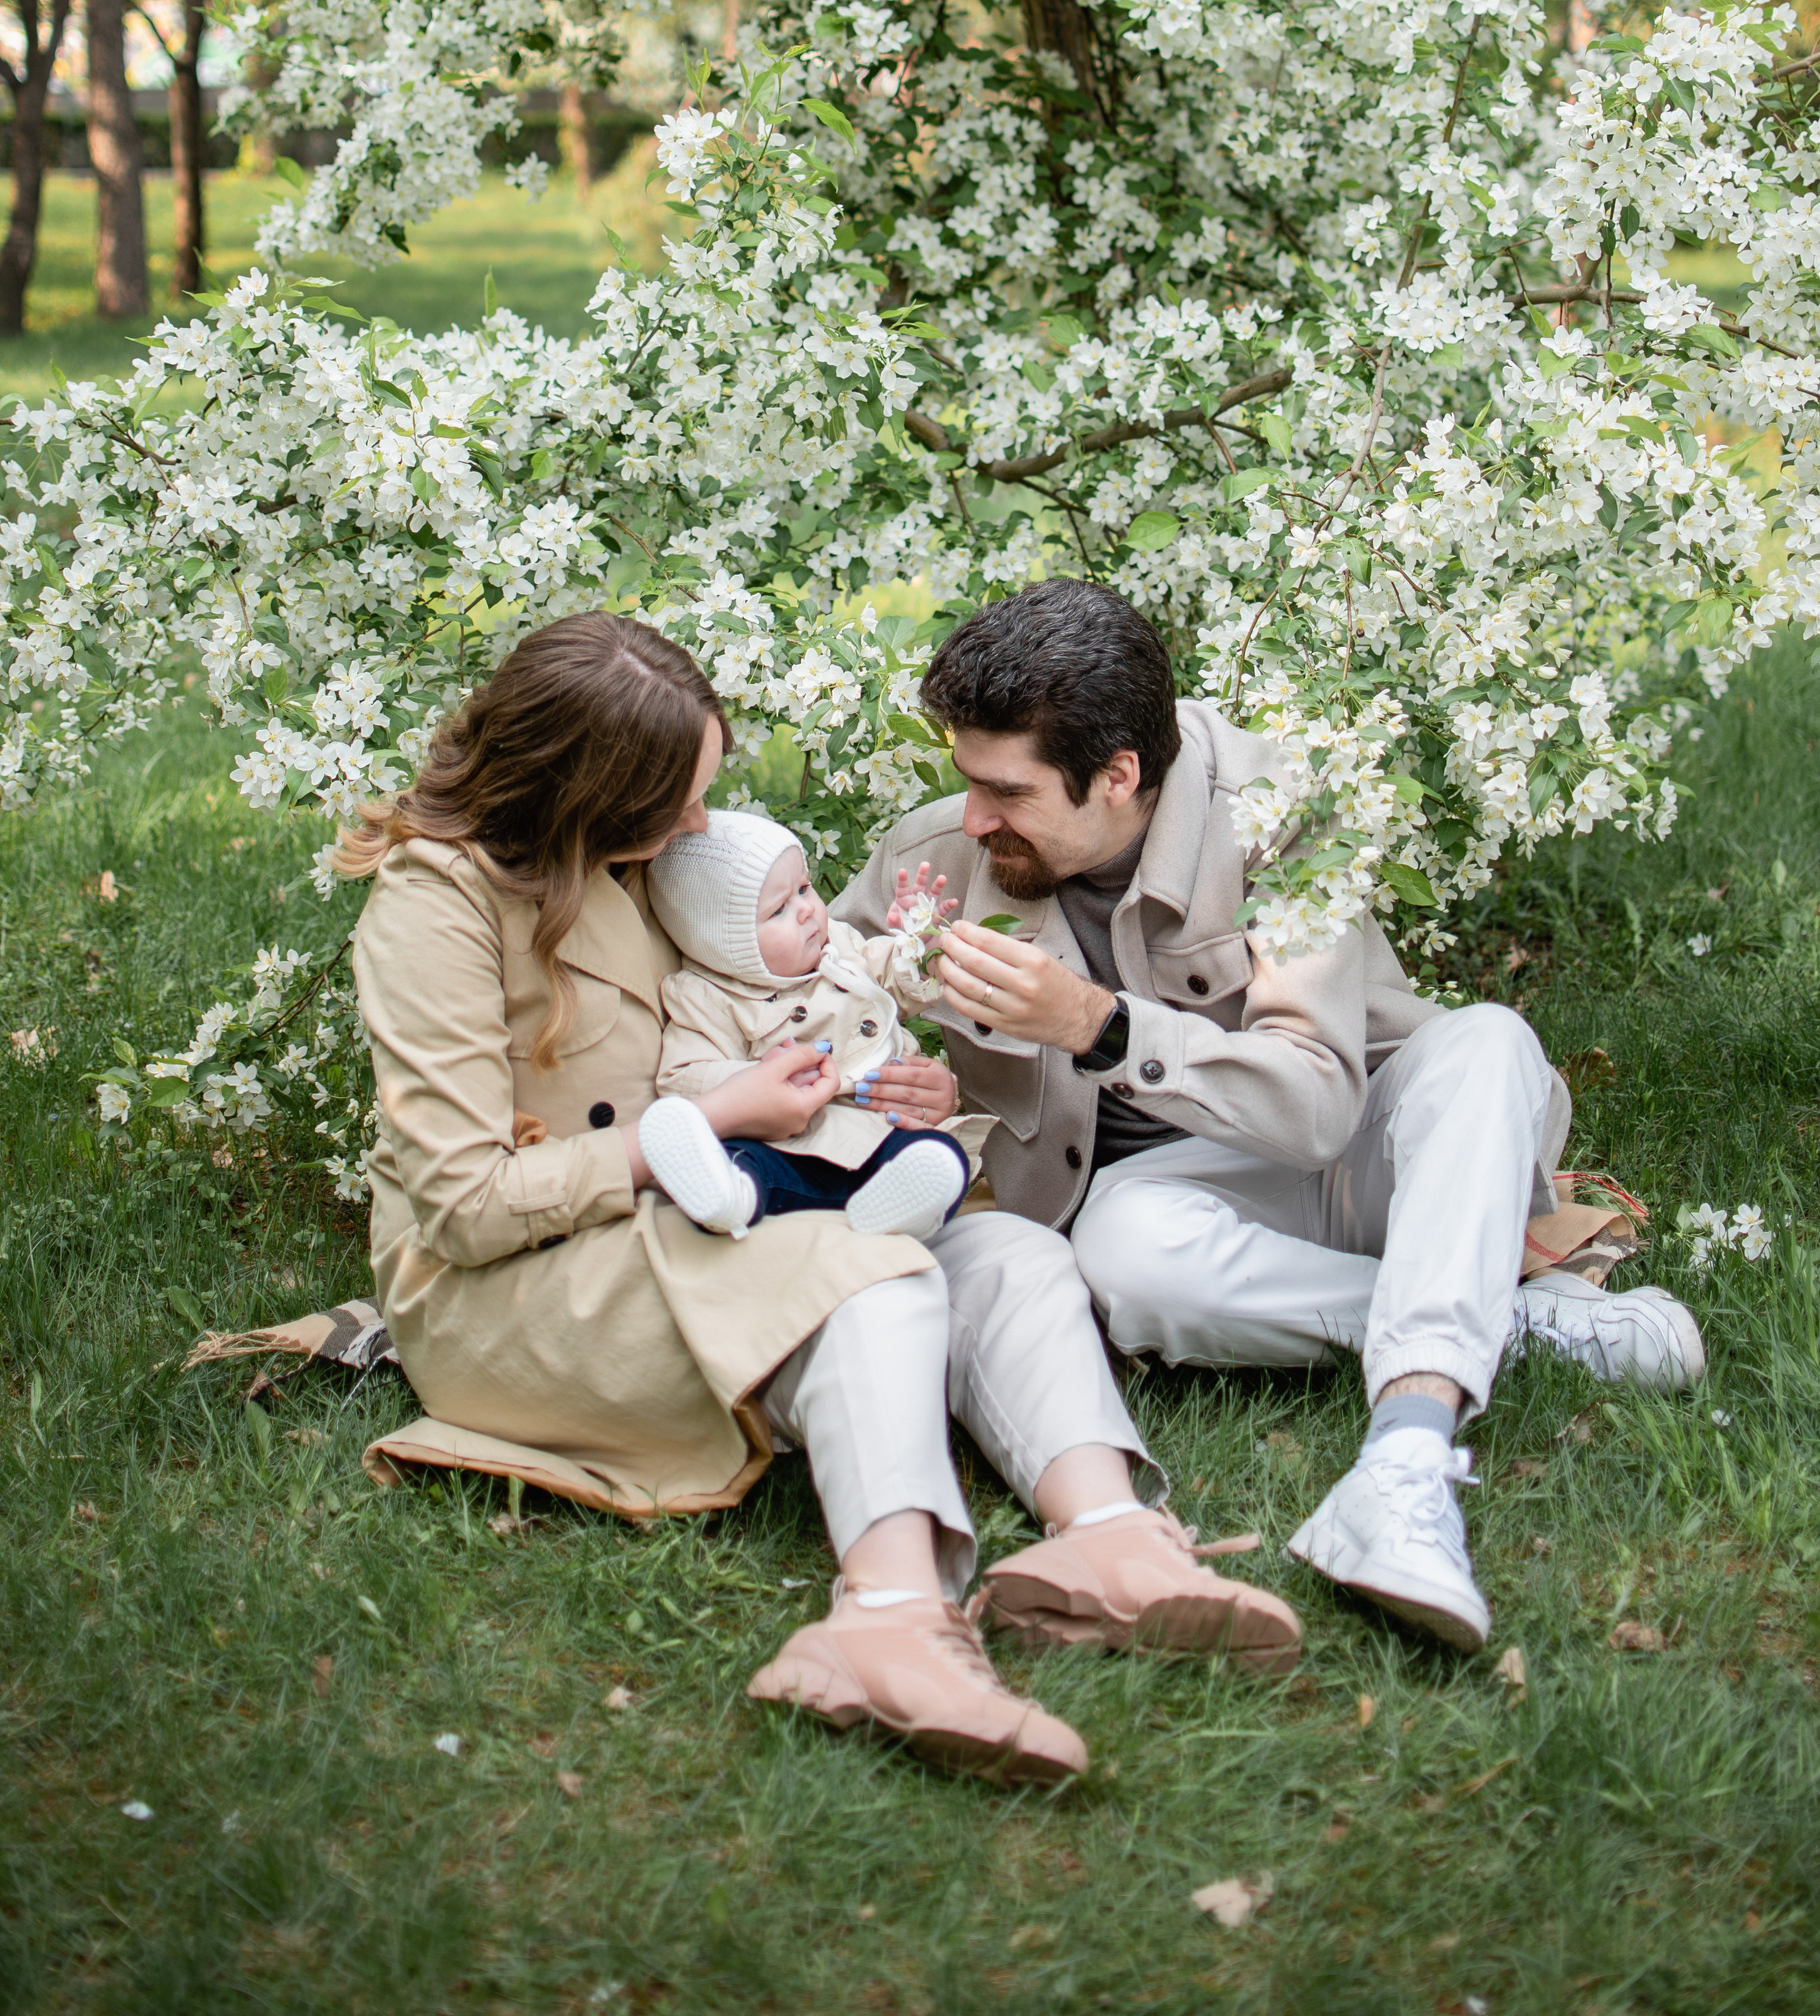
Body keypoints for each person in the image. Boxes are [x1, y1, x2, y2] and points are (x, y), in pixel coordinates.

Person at [341, 609, 1301, 1792]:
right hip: (517, 1284)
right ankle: (886, 1623)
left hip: (706, 1208)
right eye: (679, 798)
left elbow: (775, 999)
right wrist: (708, 1123)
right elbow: (464, 1205)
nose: (701, 824)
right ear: (589, 789)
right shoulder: (437, 903)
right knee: (876, 1277)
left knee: (1006, 1251)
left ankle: (1107, 1539)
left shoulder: (631, 859)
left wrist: (897, 1084)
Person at [835, 580, 1705, 1656]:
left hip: (1372, 1151)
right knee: (1121, 1253)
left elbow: (1316, 1106)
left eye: (1006, 793)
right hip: (1169, 1207)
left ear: (1119, 777)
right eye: (967, 780)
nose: (974, 818)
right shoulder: (938, 855)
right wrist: (897, 1079)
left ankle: (1404, 1465)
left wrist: (1098, 1026)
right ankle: (1516, 1325)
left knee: (1488, 1041)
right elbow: (807, 990)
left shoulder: (1278, 812)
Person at [637, 810, 977, 1244]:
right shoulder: (706, 996)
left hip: (876, 1133)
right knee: (744, 1161)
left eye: (804, 889)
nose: (806, 912)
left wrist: (919, 947)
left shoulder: (838, 946)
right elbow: (682, 1076)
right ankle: (731, 1199)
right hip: (790, 1145)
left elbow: (892, 977)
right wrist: (753, 1078)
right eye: (779, 909)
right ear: (723, 944)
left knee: (942, 1158)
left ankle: (897, 1214)